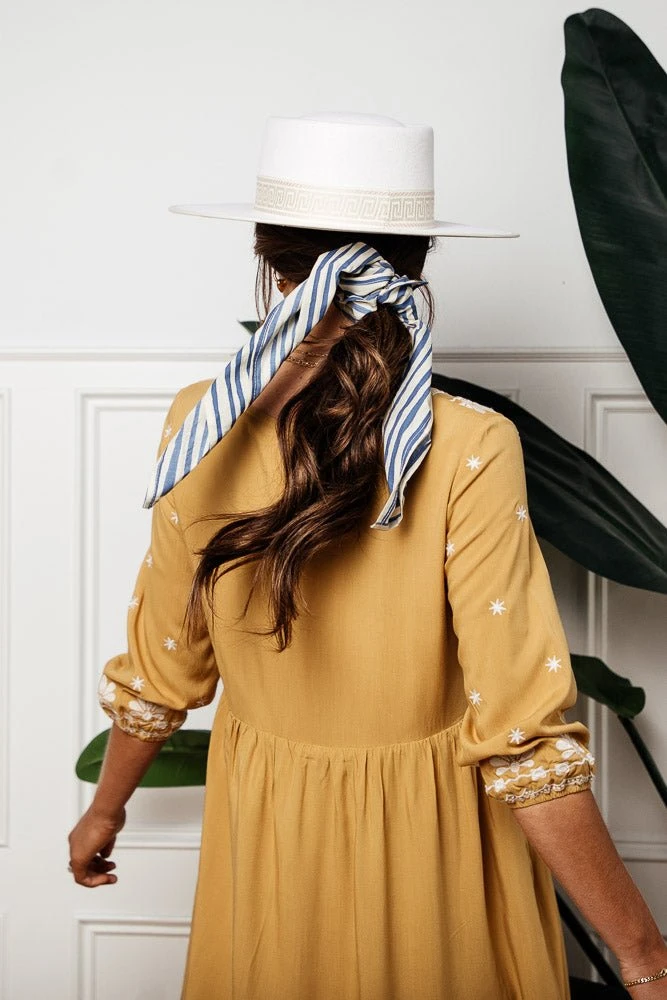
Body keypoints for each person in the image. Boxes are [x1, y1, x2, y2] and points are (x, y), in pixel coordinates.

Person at [67, 113, 667, 999]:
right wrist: (644, 958)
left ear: (269, 267)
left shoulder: (202, 420)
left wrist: (105, 808)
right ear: (415, 266)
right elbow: (523, 739)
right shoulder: (467, 443)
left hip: (268, 831)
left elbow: (164, 661)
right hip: (435, 840)